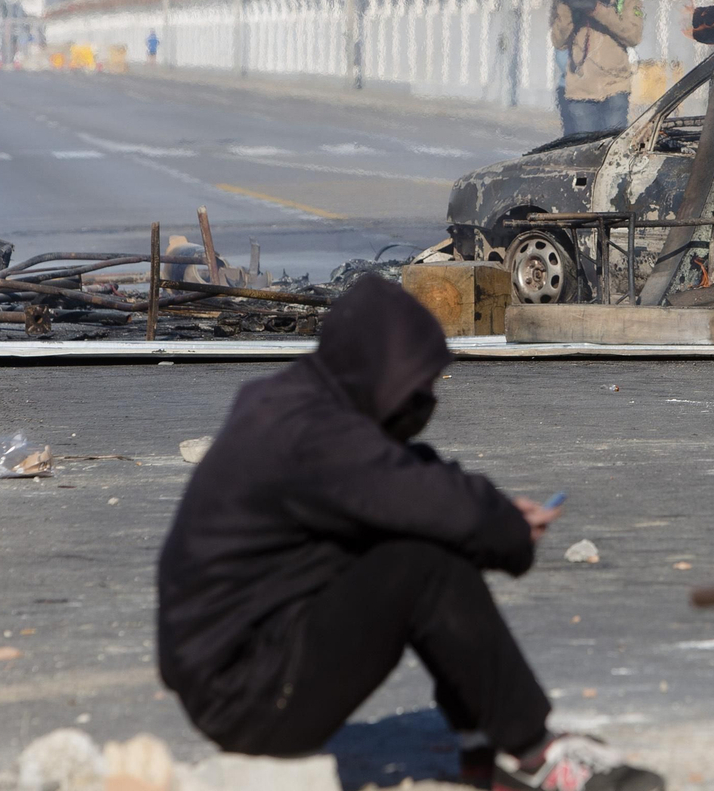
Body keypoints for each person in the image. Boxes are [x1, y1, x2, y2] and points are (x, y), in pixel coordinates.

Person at [157, 276, 665, 791]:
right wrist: (505, 526)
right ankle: (540, 758)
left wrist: (489, 514)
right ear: (375, 370)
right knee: (423, 563)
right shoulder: (308, 434)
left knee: (427, 531)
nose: (423, 403)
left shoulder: (295, 404)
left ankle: (478, 746)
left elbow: (404, 479)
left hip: (246, 673)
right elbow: (424, 498)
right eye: (413, 387)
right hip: (248, 694)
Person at [550, 0, 643, 135]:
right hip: (581, 89)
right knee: (585, 152)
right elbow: (558, 41)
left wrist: (597, 10)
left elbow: (634, 36)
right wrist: (568, 5)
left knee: (612, 148)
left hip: (615, 86)